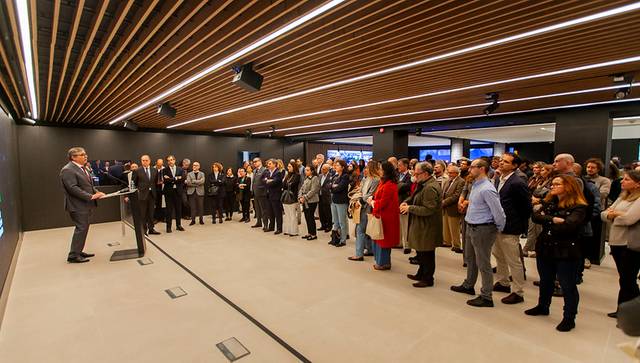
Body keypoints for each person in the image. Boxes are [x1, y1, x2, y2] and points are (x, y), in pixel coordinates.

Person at [526, 175, 588, 332]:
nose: (552, 187)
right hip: (546, 246)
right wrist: (554, 219)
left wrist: (548, 220)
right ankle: (543, 306)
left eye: (557, 184)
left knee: (567, 285)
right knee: (546, 280)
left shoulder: (579, 206)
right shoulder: (550, 202)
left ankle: (569, 318)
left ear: (568, 186)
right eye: (552, 184)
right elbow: (535, 216)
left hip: (566, 249)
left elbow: (569, 226)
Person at [451, 158, 506, 308]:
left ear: (482, 168)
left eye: (473, 167)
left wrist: (499, 228)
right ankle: (469, 285)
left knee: (483, 263)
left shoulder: (487, 188)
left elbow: (498, 212)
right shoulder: (475, 185)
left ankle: (486, 296)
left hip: (483, 228)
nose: (469, 169)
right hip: (471, 225)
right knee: (470, 258)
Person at [491, 152, 532, 305]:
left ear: (514, 166)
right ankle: (503, 282)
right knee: (499, 255)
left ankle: (518, 291)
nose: (501, 163)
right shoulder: (498, 179)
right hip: (497, 224)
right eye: (501, 161)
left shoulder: (517, 182)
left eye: (506, 162)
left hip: (511, 226)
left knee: (513, 261)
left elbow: (526, 207)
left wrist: (519, 226)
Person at [602, 169, 640, 318]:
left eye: (626, 180)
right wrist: (614, 214)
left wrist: (615, 213)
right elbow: (604, 214)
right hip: (616, 242)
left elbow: (630, 219)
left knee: (627, 279)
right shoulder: (622, 197)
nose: (622, 182)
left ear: (637, 184)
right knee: (625, 279)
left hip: (630, 244)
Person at [60, 147, 105, 263]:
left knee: (83, 228)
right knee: (81, 228)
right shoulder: (68, 170)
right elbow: (73, 188)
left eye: (85, 154)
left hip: (85, 205)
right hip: (77, 205)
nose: (85, 156)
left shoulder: (82, 168)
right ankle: (73, 255)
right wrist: (90, 196)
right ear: (73, 157)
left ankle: (78, 251)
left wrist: (96, 192)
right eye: (82, 155)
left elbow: (87, 186)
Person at [401, 162, 442, 286]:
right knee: (421, 252)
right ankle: (421, 273)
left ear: (425, 173)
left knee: (427, 253)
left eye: (417, 173)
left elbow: (428, 209)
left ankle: (428, 278)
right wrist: (406, 202)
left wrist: (410, 208)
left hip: (427, 226)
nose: (414, 175)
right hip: (421, 224)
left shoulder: (430, 188)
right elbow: (414, 197)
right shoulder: (423, 184)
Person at [368, 161, 400, 270]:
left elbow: (383, 202)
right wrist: (373, 199)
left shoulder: (390, 185)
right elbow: (378, 196)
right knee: (378, 238)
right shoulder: (384, 182)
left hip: (386, 216)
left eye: (381, 169)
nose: (379, 171)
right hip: (381, 214)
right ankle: (381, 261)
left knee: (383, 241)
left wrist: (372, 203)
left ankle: (383, 263)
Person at [349, 160, 380, 261]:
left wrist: (360, 201)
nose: (365, 169)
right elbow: (361, 190)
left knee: (360, 230)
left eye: (367, 167)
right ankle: (369, 249)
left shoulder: (376, 180)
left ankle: (359, 254)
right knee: (364, 230)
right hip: (362, 206)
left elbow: (371, 194)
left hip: (367, 207)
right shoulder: (365, 179)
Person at [132, 154, 160, 235]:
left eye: (146, 160)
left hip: (152, 195)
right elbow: (134, 183)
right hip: (142, 195)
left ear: (149, 161)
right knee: (143, 214)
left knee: (151, 213)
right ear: (141, 161)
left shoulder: (154, 170)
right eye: (143, 160)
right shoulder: (137, 171)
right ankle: (143, 229)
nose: (145, 162)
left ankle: (151, 229)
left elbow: (155, 182)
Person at [442, 164, 465, 253]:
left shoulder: (461, 181)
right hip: (445, 207)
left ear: (456, 173)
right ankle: (447, 242)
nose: (449, 174)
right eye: (448, 172)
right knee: (446, 226)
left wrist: (444, 202)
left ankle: (456, 245)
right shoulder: (448, 181)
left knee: (454, 228)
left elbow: (456, 196)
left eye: (451, 173)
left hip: (453, 207)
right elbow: (444, 192)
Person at [161, 155, 185, 233]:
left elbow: (183, 179)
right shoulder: (164, 170)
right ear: (167, 162)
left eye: (171, 160)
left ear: (174, 160)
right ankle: (168, 227)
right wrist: (177, 178)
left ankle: (179, 225)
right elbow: (165, 181)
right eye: (168, 160)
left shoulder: (180, 169)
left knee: (178, 209)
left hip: (178, 192)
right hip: (169, 192)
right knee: (169, 210)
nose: (170, 161)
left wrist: (171, 179)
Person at [330, 159, 350, 246]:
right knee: (335, 221)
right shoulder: (336, 175)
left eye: (338, 165)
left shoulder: (345, 176)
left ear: (342, 167)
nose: (335, 166)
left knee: (342, 222)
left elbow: (340, 188)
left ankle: (343, 240)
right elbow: (329, 185)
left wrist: (334, 187)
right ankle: (335, 238)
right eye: (335, 165)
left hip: (341, 201)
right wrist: (333, 187)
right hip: (334, 200)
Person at [299, 166, 321, 240]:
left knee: (310, 217)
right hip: (305, 200)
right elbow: (301, 188)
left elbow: (313, 190)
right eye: (305, 170)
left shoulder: (314, 178)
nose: (306, 171)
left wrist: (304, 197)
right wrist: (300, 197)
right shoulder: (306, 178)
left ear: (311, 171)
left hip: (312, 201)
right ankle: (309, 233)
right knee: (307, 217)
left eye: (307, 170)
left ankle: (313, 234)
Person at [264, 159, 284, 234]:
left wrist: (268, 181)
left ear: (274, 164)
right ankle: (271, 227)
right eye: (268, 164)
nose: (268, 165)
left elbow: (275, 182)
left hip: (276, 195)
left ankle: (279, 228)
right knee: (270, 212)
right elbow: (263, 181)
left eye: (270, 164)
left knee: (277, 213)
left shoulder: (278, 172)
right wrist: (269, 180)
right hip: (269, 195)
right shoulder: (268, 172)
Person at [397, 158, 412, 253]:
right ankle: (399, 243)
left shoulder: (409, 176)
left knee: (405, 225)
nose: (398, 167)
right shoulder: (397, 175)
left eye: (400, 165)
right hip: (397, 202)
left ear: (406, 165)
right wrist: (400, 185)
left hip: (405, 202)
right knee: (399, 224)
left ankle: (407, 245)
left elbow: (406, 187)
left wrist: (399, 185)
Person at [282, 161, 301, 236]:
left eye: (290, 166)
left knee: (292, 214)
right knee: (287, 214)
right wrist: (287, 184)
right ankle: (287, 229)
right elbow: (284, 185)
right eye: (288, 166)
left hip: (293, 197)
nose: (288, 168)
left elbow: (292, 185)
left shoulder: (297, 175)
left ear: (294, 167)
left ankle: (294, 231)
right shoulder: (287, 175)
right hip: (285, 196)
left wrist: (287, 184)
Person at [251, 158, 268, 229]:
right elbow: (254, 182)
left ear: (260, 162)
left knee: (263, 210)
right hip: (255, 192)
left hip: (262, 193)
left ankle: (266, 224)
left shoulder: (264, 170)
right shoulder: (255, 170)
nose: (254, 163)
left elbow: (265, 181)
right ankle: (259, 222)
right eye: (253, 162)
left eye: (256, 162)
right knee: (257, 209)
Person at [318, 164, 333, 232]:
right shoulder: (320, 176)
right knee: (321, 212)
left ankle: (329, 226)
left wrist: (322, 188)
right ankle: (323, 225)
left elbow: (328, 186)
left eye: (324, 169)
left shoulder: (330, 176)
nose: (322, 170)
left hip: (326, 196)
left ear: (327, 169)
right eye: (322, 169)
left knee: (327, 212)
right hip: (320, 196)